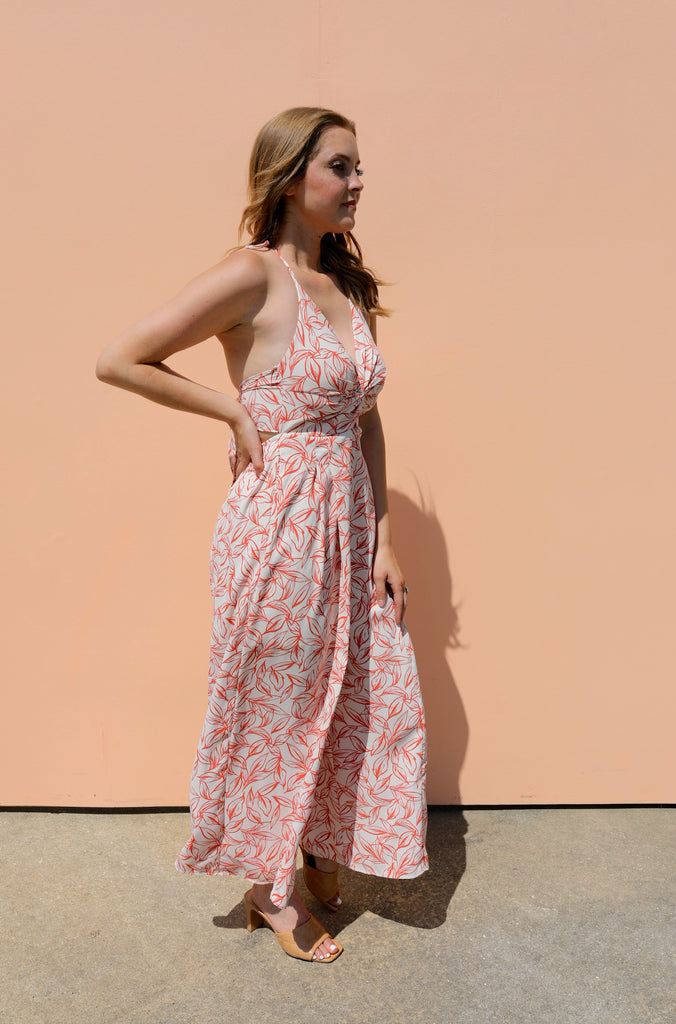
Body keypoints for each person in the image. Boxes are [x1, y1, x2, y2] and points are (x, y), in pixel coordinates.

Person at [96, 107, 428, 963]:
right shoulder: (251, 274)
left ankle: (315, 850)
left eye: (358, 168)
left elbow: (365, 418)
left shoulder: (347, 286)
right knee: (274, 699)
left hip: (348, 522)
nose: (358, 183)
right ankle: (268, 888)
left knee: (359, 692)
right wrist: (230, 409)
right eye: (341, 167)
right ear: (289, 178)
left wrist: (385, 537)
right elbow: (120, 358)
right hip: (278, 524)